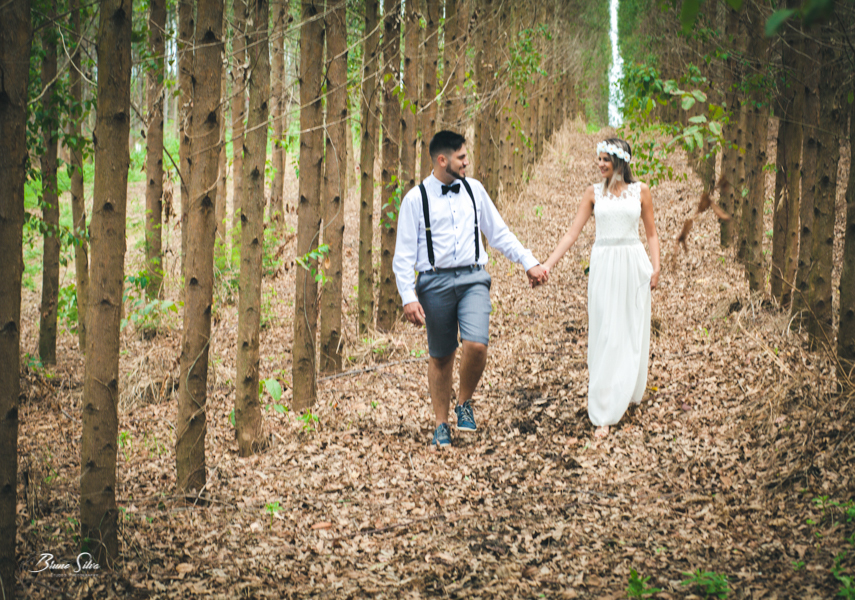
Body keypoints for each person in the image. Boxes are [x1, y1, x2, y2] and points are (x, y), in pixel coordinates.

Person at [393, 130, 548, 447]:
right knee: (441, 356)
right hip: (433, 282)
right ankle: (441, 424)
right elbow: (403, 255)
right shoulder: (415, 199)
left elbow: (499, 233)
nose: (467, 162)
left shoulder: (474, 190)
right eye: (461, 157)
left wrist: (528, 261)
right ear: (442, 160)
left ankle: (464, 403)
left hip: (474, 278)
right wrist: (408, 296)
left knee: (476, 345)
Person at [543, 138, 660, 439]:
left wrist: (656, 267)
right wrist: (548, 264)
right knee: (606, 332)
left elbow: (651, 232)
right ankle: (603, 412)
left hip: (633, 264)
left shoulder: (641, 191)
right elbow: (572, 234)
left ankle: (625, 390)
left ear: (621, 161)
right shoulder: (593, 194)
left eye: (606, 159)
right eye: (599, 159)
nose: (600, 164)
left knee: (630, 330)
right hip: (605, 265)